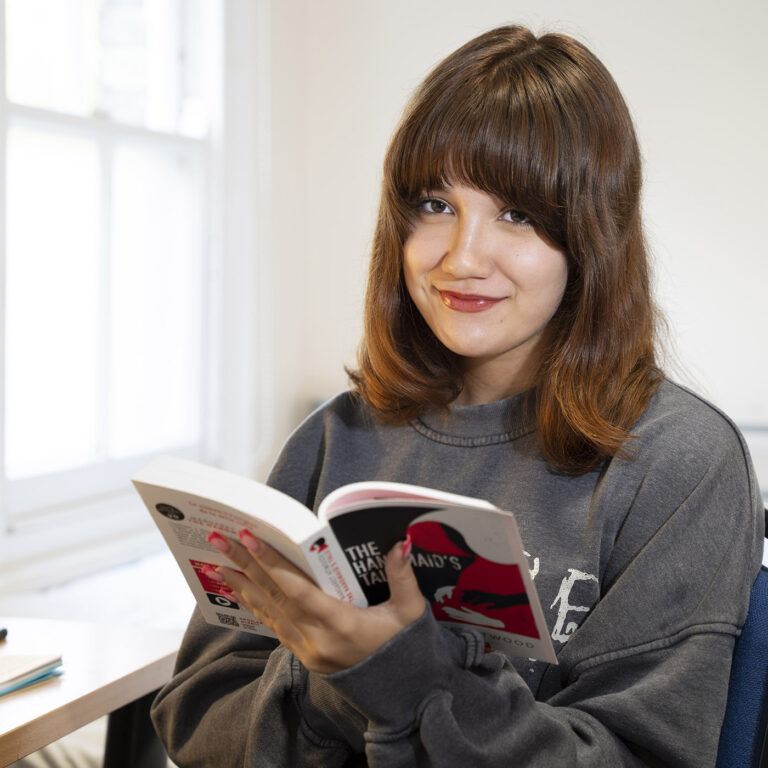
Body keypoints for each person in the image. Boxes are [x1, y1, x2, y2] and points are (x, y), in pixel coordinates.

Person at [151, 24, 764, 767]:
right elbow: (196, 714)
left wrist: (402, 675)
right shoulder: (333, 437)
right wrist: (334, 685)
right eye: (435, 205)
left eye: (518, 214)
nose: (461, 258)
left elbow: (636, 755)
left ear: (592, 235)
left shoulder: (678, 462)